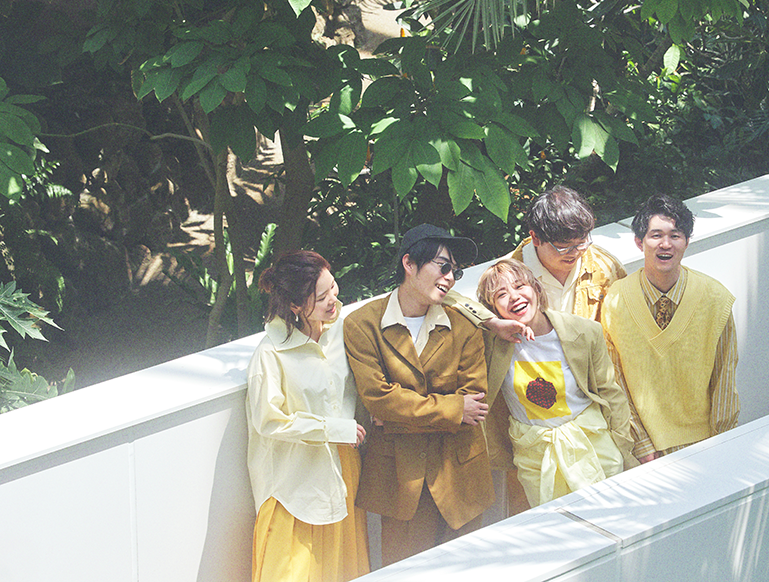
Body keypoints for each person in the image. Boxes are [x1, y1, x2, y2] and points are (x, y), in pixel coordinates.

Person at [344, 224, 493, 566]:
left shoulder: (464, 325)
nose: (450, 278)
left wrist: (398, 418)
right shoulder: (363, 325)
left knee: (468, 572)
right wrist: (453, 409)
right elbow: (379, 399)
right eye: (443, 266)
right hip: (401, 480)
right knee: (406, 573)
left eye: (455, 271)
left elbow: (474, 402)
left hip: (461, 477)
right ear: (409, 263)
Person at [246, 250, 369, 582]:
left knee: (343, 571)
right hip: (292, 485)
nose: (333, 299)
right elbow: (269, 420)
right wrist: (332, 429)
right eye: (322, 296)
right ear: (295, 306)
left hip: (342, 472)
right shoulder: (270, 354)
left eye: (333, 287)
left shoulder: (342, 329)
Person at [476, 259, 636, 508]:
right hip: (536, 457)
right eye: (501, 295)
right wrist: (491, 323)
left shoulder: (584, 331)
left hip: (593, 446)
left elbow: (611, 394)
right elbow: (449, 301)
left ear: (536, 288)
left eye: (519, 286)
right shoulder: (491, 344)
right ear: (492, 308)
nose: (514, 297)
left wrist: (623, 444)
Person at [601, 193, 740, 463]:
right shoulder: (616, 299)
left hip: (703, 443)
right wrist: (640, 442)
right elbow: (613, 378)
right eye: (656, 235)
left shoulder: (715, 299)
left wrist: (721, 441)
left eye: (675, 235)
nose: (666, 244)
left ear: (687, 241)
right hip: (640, 448)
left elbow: (725, 377)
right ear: (639, 242)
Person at [448, 185, 626, 334]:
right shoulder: (506, 276)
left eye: (581, 242)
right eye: (563, 247)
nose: (575, 252)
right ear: (535, 238)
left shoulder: (605, 267)